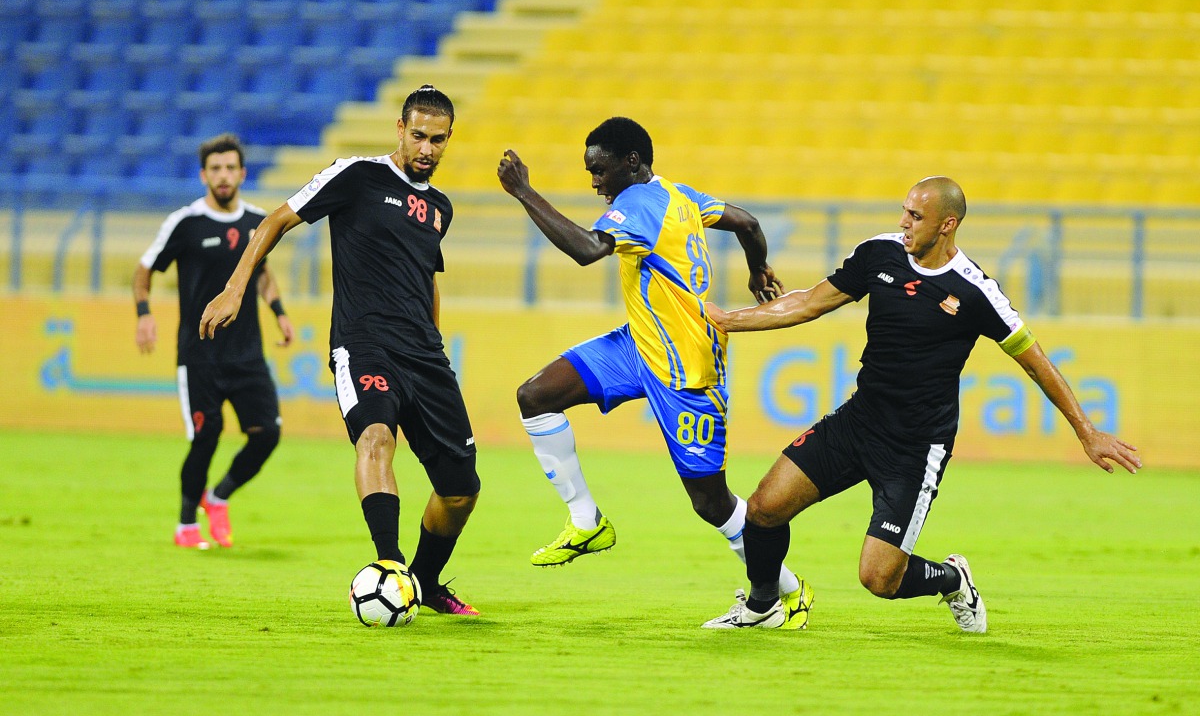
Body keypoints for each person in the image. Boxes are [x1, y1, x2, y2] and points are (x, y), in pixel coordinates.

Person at [701, 176, 1142, 631]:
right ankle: (765, 606)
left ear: (947, 224)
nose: (903, 223)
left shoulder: (975, 291)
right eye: (904, 211)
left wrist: (1087, 431)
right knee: (763, 509)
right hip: (858, 421)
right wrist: (730, 320)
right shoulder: (880, 253)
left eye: (915, 216)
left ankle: (953, 578)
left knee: (878, 578)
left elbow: (1037, 364)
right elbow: (810, 303)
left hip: (915, 447)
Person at [497, 116, 814, 628]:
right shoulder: (677, 194)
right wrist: (759, 268)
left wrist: (524, 192)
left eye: (599, 171)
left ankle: (785, 591)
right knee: (536, 395)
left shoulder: (639, 204)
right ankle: (586, 521)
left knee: (710, 502)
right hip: (638, 346)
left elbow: (587, 251)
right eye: (588, 172)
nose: (594, 182)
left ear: (631, 162)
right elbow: (748, 223)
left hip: (686, 367)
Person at [198, 85, 480, 616]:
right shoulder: (357, 175)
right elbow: (275, 219)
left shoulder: (439, 207)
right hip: (364, 343)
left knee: (461, 488)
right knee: (375, 438)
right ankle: (390, 566)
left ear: (448, 140)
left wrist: (436, 343)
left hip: (425, 355)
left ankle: (424, 580)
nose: (426, 148)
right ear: (400, 129)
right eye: (418, 135)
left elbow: (428, 276)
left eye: (437, 140)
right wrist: (237, 287)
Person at [134, 133, 293, 550]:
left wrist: (279, 313)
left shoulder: (258, 221)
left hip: (247, 356)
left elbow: (261, 273)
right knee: (207, 435)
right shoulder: (185, 223)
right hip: (199, 355)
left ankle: (217, 497)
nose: (223, 176)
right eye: (215, 169)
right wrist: (144, 314)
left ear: (242, 173)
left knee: (267, 434)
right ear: (204, 175)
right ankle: (186, 525)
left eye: (230, 168)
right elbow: (145, 269)